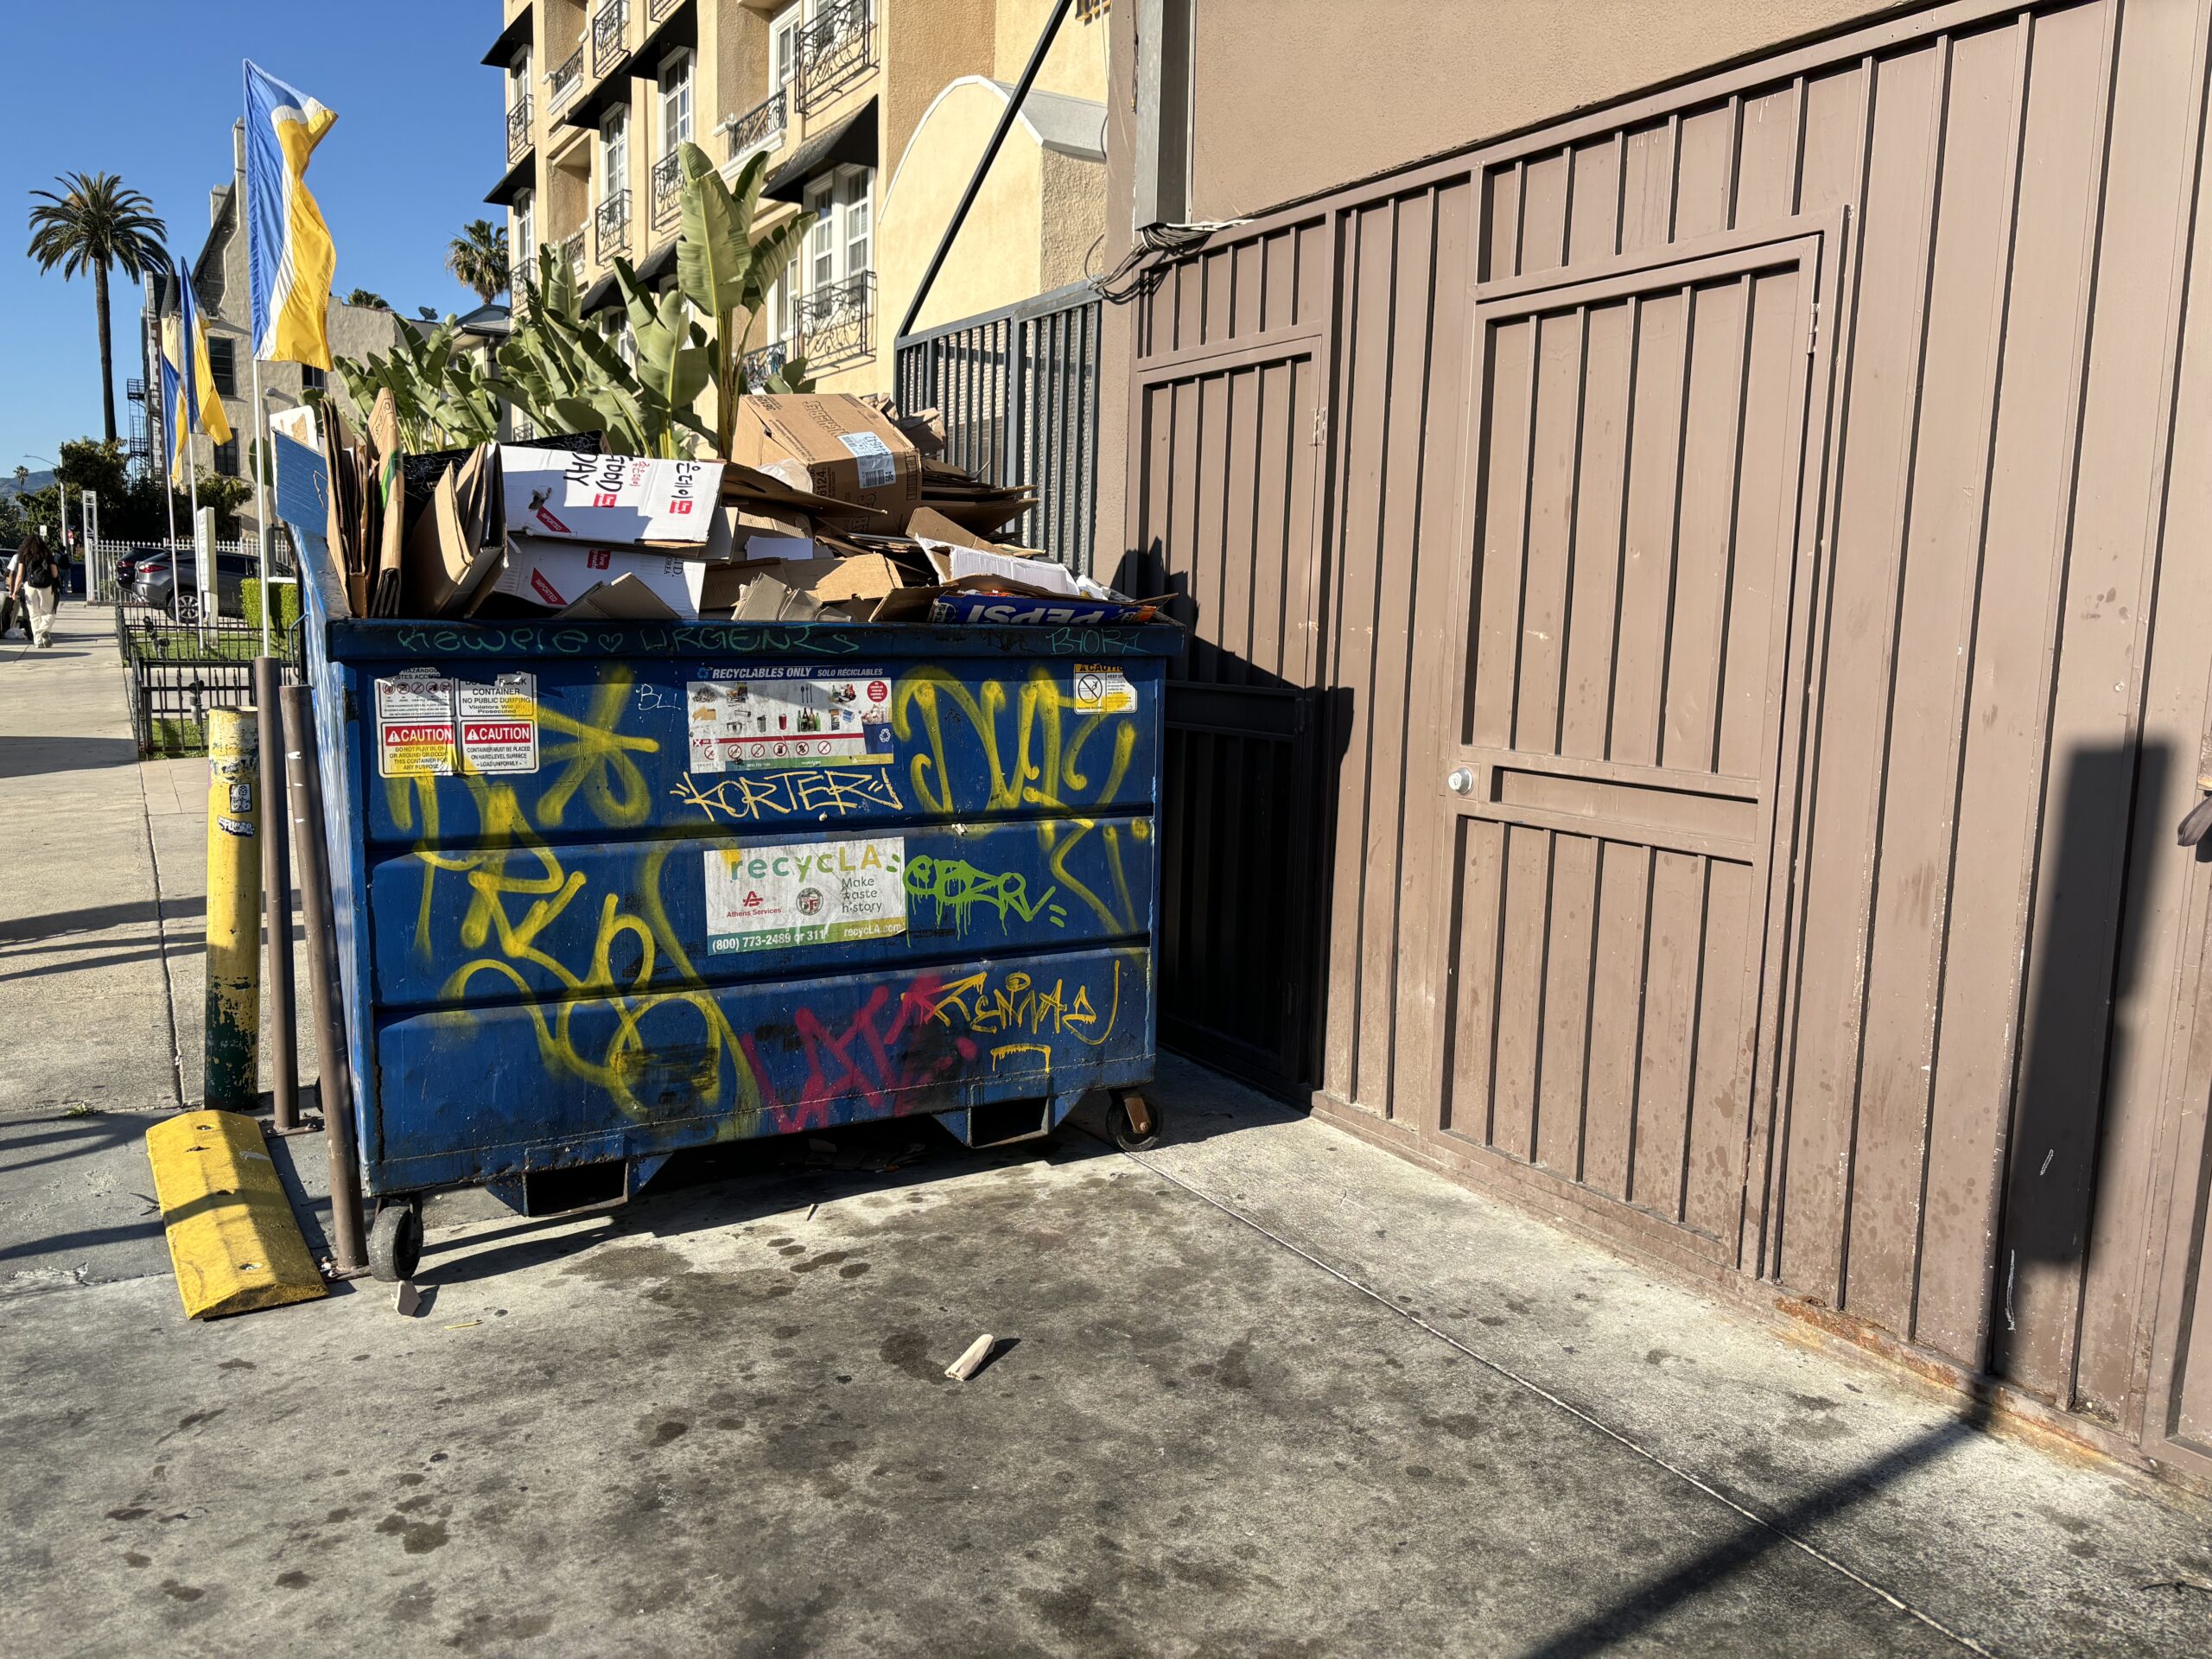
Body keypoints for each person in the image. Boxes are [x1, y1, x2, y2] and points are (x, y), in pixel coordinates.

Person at [10, 529, 60, 648]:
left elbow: (19, 575)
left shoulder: (24, 555)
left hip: (30, 586)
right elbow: (55, 574)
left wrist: (15, 591)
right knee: (49, 613)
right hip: (46, 586)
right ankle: (44, 630)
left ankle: (38, 641)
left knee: (34, 615)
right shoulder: (47, 554)